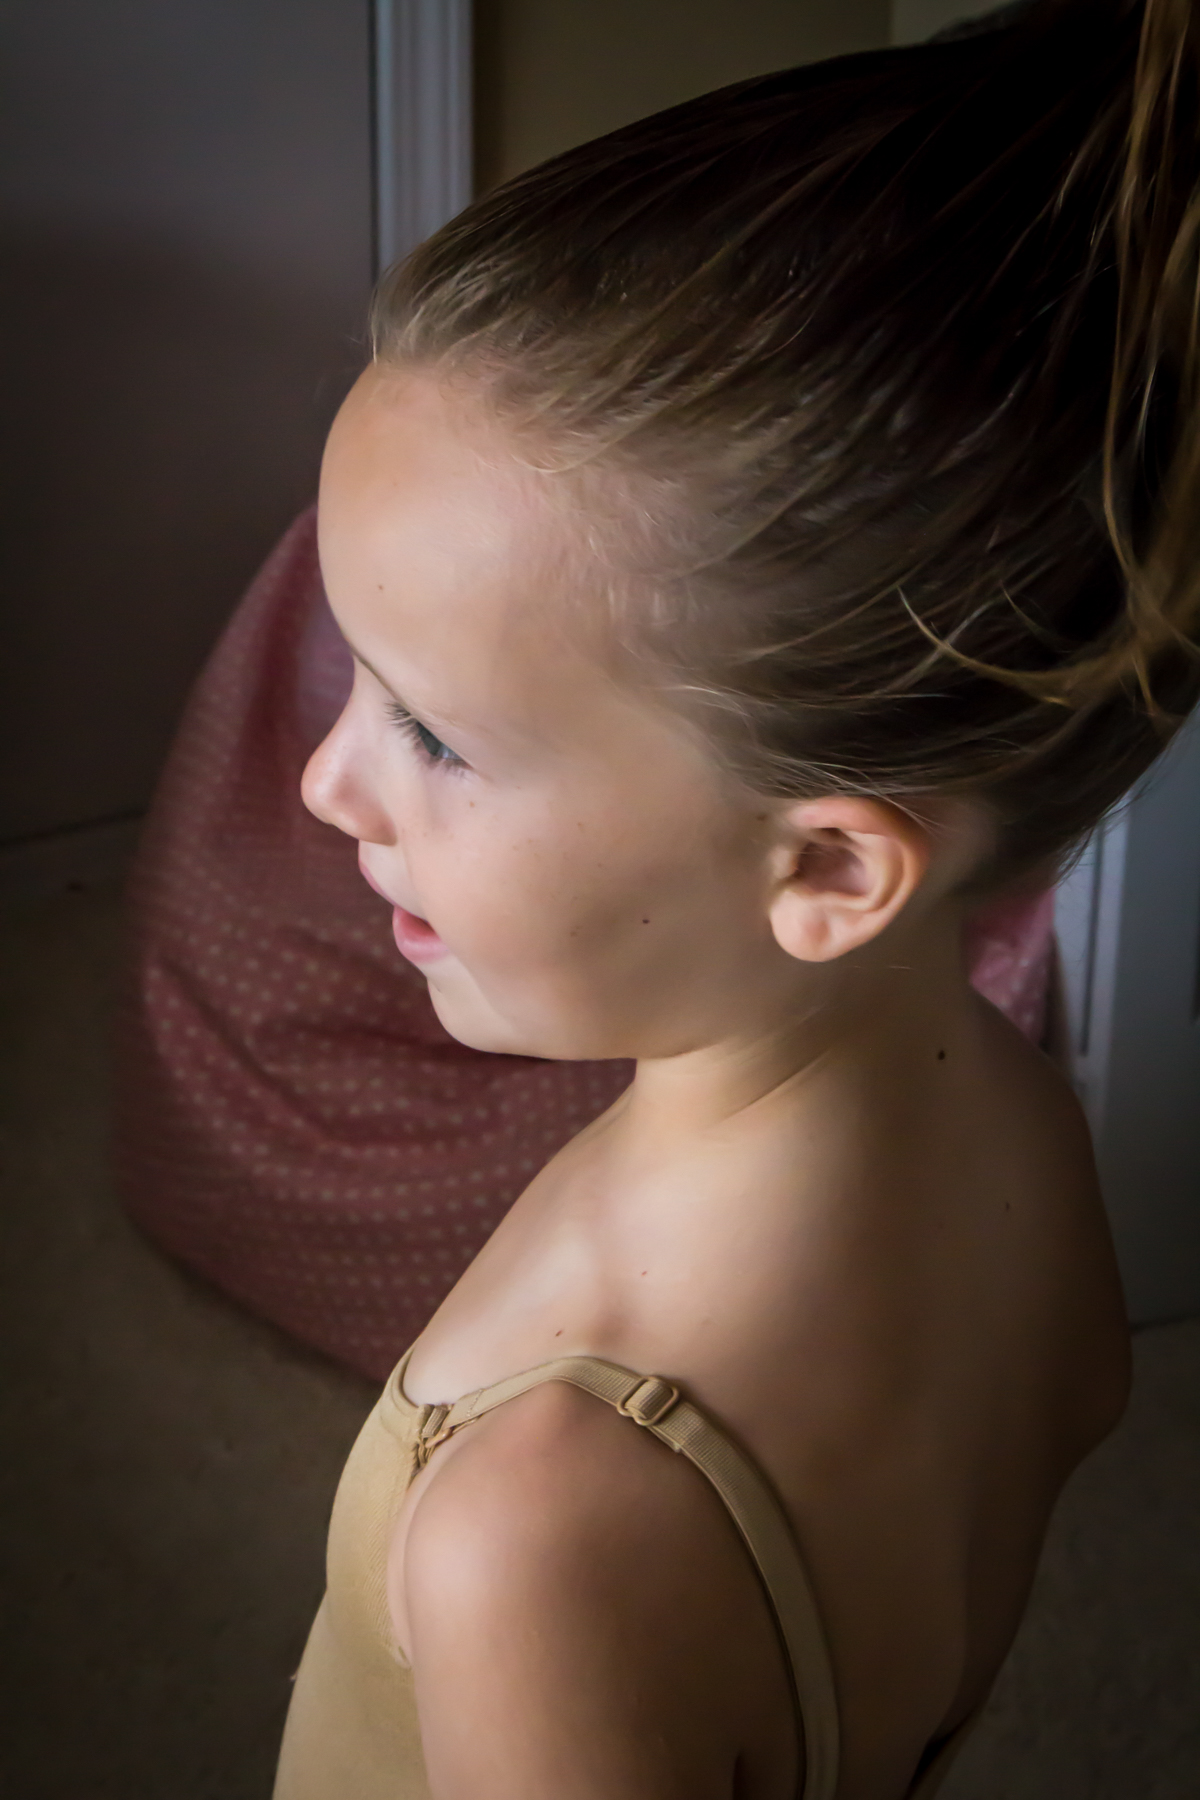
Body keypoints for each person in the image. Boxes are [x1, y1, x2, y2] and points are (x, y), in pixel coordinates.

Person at [273, 0, 1200, 1794]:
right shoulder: (1026, 1129)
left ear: (829, 868)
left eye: (433, 735)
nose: (324, 781)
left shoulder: (542, 1548)